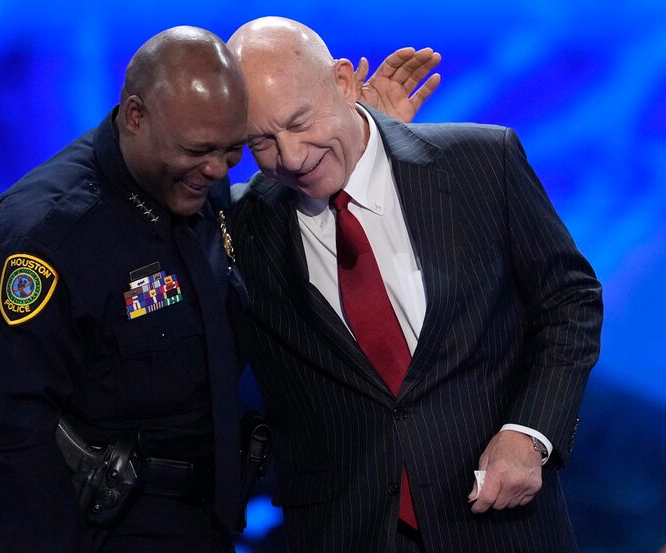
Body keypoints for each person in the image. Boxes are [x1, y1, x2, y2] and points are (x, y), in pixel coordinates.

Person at [0, 25, 439, 553]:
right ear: (135, 115)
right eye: (198, 151)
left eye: (233, 151)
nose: (215, 171)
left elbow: (269, 213)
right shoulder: (44, 236)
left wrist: (349, 148)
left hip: (210, 524)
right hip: (105, 532)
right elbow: (17, 435)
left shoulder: (197, 177)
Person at [228, 17, 603, 553]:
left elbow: (570, 301)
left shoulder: (483, 161)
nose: (291, 156)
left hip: (502, 524)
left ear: (341, 82)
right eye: (261, 141)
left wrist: (531, 433)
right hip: (345, 531)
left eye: (301, 121)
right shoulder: (237, 226)